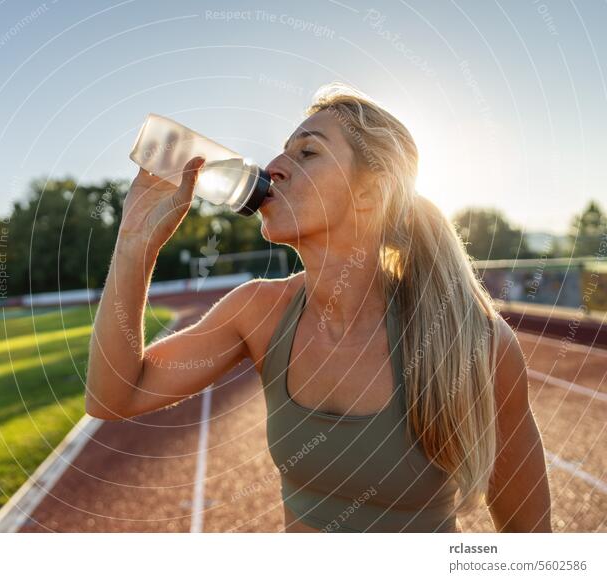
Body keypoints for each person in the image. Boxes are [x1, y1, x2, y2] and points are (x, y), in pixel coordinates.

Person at [85, 82, 552, 533]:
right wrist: (133, 244)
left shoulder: (472, 342)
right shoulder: (259, 313)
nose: (273, 167)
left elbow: (530, 544)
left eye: (307, 152)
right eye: (283, 151)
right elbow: (113, 396)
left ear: (370, 192)